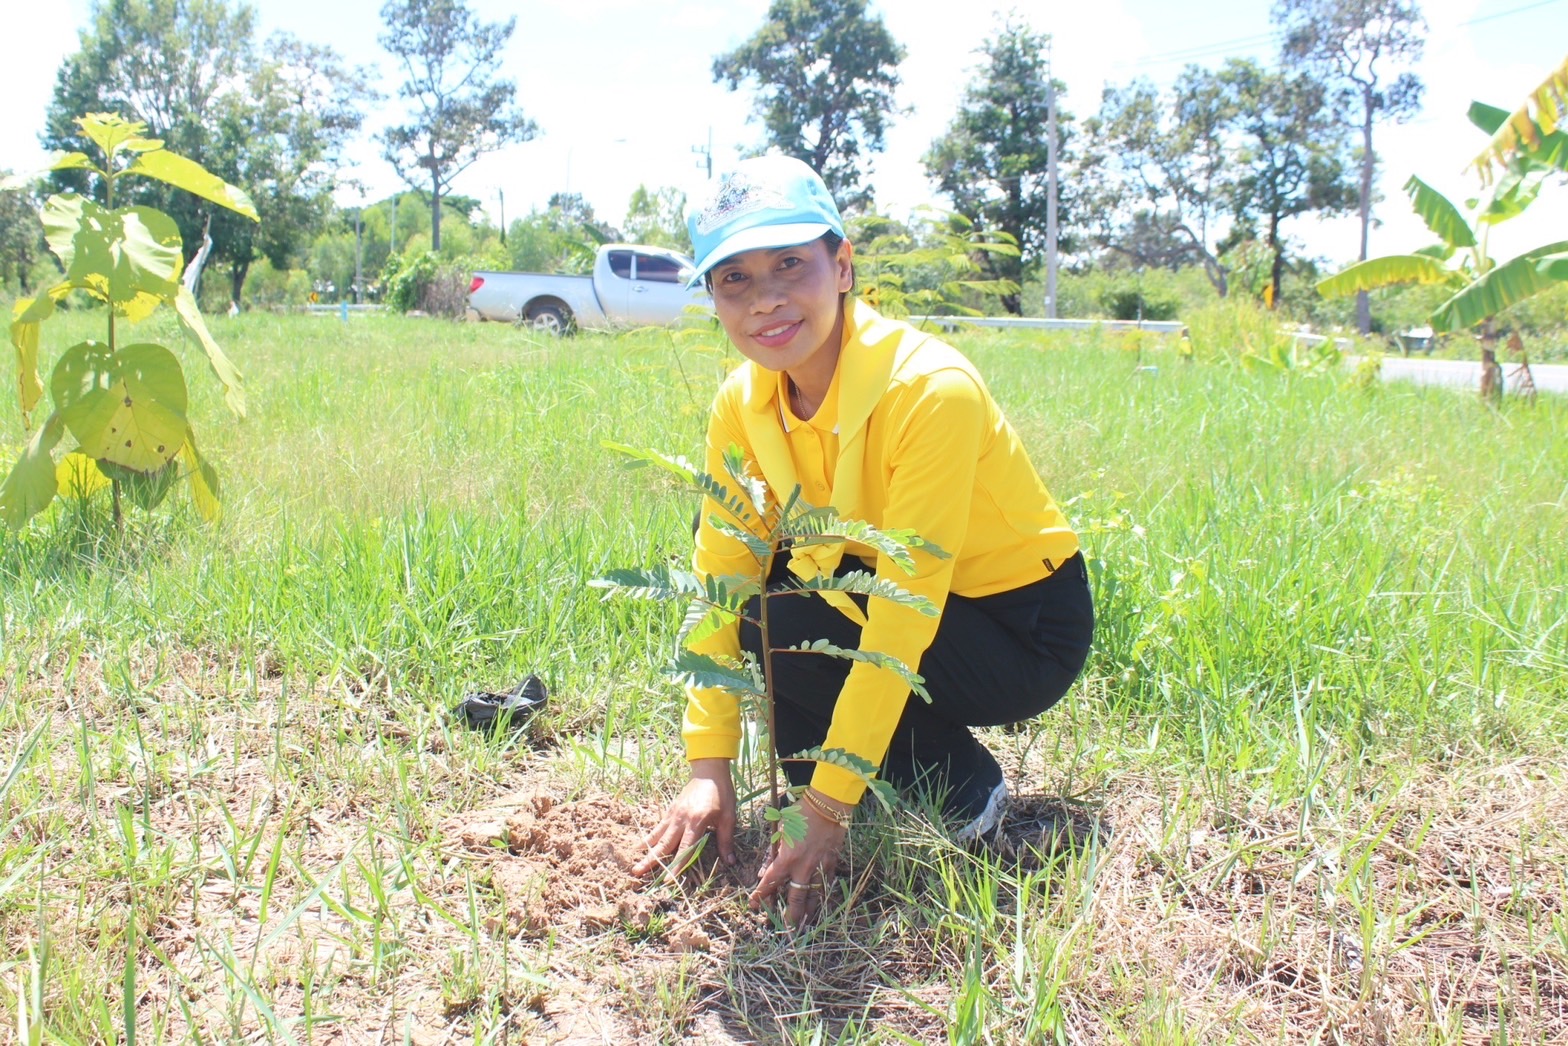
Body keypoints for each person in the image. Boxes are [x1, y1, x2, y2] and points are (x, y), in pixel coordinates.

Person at [631, 155, 1094, 927]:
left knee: (796, 617)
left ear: (842, 267)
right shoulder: (742, 403)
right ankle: (849, 779)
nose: (767, 299)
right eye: (734, 279)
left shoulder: (927, 390)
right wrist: (708, 767)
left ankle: (962, 790)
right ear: (712, 298)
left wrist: (828, 806)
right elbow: (719, 581)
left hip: (1017, 626)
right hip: (869, 580)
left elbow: (903, 610)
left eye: (790, 264)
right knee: (751, 592)